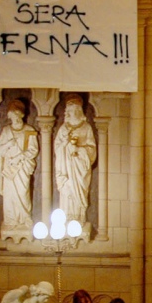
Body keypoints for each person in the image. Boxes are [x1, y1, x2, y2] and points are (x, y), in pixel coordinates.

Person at [0, 99, 39, 231]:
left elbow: (33, 150)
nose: (16, 118)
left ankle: (24, 218)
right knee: (10, 195)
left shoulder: (29, 131)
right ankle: (11, 219)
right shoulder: (6, 131)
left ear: (22, 115)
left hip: (22, 167)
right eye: (13, 116)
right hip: (9, 168)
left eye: (18, 115)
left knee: (22, 192)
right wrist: (8, 144)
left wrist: (20, 156)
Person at [53, 95, 97, 229]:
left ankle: (78, 218)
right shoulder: (63, 129)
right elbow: (57, 148)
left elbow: (92, 150)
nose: (66, 114)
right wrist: (66, 143)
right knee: (67, 193)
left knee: (78, 195)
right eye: (66, 111)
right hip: (65, 169)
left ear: (77, 112)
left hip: (79, 170)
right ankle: (65, 220)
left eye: (69, 111)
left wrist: (78, 149)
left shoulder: (86, 128)